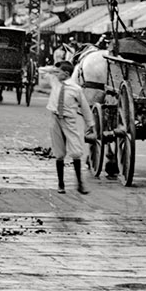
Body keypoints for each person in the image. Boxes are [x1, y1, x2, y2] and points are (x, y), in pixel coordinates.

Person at [41, 53, 88, 193]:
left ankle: (80, 183)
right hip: (55, 119)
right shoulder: (54, 81)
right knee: (59, 152)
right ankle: (61, 184)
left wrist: (90, 124)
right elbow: (41, 70)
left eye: (58, 72)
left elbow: (85, 107)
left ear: (66, 74)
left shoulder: (76, 89)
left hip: (69, 120)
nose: (56, 74)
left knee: (76, 150)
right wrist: (54, 69)